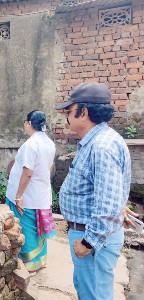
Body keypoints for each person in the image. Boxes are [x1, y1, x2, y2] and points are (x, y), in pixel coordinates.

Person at [56, 82, 131, 300]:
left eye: (69, 111)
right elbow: (108, 190)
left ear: (84, 112)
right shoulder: (97, 141)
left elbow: (107, 202)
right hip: (89, 231)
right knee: (87, 289)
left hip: (92, 237)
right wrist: (120, 206)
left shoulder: (101, 146)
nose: (67, 117)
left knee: (94, 294)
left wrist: (89, 242)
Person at [5, 110, 56, 273]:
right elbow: (48, 168)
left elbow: (27, 172)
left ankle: (29, 264)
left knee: (26, 229)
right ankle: (40, 261)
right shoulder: (49, 143)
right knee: (37, 228)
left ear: (29, 124)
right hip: (40, 193)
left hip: (27, 195)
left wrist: (18, 196)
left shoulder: (31, 145)